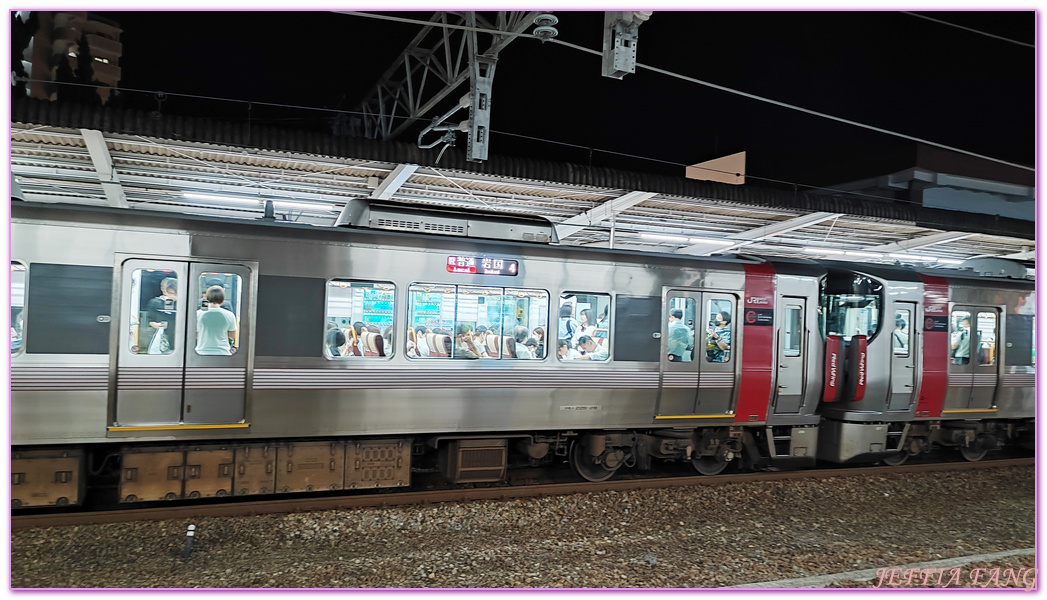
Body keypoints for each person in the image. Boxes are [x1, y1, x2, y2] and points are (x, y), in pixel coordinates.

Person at [196, 285, 238, 356]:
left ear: (206, 298)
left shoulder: (198, 314)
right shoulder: (230, 315)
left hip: (201, 352)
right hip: (223, 352)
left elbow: (195, 334)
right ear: (223, 300)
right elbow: (231, 336)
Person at [146, 277, 178, 354]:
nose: (170, 296)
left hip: (179, 339)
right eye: (169, 293)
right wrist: (155, 325)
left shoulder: (186, 303)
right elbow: (149, 320)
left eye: (173, 293)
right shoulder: (155, 302)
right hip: (161, 339)